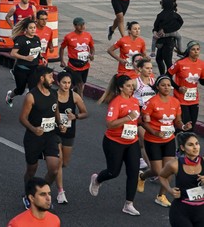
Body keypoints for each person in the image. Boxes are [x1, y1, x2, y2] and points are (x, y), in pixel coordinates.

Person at [91, 74, 142, 216]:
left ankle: (128, 204)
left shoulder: (135, 101)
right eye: (128, 86)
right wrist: (127, 118)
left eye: (132, 86)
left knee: (133, 172)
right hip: (114, 141)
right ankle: (97, 179)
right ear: (120, 88)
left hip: (132, 141)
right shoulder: (116, 102)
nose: (131, 88)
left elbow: (136, 120)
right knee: (113, 172)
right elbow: (110, 124)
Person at [140, 74, 190, 207]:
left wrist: (183, 126)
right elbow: (143, 122)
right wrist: (155, 132)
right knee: (157, 171)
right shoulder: (151, 102)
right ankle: (142, 177)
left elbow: (177, 121)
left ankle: (160, 196)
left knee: (169, 170)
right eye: (163, 85)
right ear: (157, 87)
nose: (167, 87)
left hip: (168, 139)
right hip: (153, 140)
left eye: (169, 85)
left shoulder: (175, 102)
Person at [19, 66, 64, 207]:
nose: (53, 80)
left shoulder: (53, 94)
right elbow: (22, 118)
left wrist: (60, 123)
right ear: (42, 78)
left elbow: (56, 110)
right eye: (50, 77)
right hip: (34, 137)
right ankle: (28, 193)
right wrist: (33, 128)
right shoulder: (31, 96)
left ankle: (42, 194)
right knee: (31, 170)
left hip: (50, 136)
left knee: (54, 169)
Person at [55, 71, 88, 205]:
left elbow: (85, 113)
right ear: (58, 83)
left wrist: (76, 116)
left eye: (69, 83)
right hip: (55, 131)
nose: (67, 85)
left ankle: (54, 175)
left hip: (69, 132)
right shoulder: (53, 96)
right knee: (59, 161)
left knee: (64, 163)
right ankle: (61, 192)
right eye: (64, 82)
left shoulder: (74, 97)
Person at [158, 132, 204, 227]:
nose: (195, 147)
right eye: (190, 145)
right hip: (181, 211)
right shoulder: (174, 164)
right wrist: (170, 190)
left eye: (197, 143)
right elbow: (162, 176)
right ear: (182, 148)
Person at [6, 18, 43, 107]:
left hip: (34, 68)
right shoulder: (21, 40)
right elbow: (13, 53)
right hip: (22, 68)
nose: (33, 29)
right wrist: (25, 58)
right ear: (26, 29)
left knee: (33, 90)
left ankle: (31, 108)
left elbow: (37, 51)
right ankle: (10, 96)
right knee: (20, 90)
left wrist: (42, 57)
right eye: (31, 28)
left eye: (34, 27)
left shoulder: (37, 39)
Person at [168, 41, 204, 130]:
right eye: (193, 49)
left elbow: (202, 81)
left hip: (194, 99)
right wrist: (178, 88)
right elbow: (167, 76)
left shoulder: (201, 64)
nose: (196, 51)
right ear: (188, 51)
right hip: (181, 100)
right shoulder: (180, 63)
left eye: (198, 49)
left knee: (192, 126)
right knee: (185, 125)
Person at [58, 17, 95, 97]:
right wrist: (62, 60)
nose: (82, 27)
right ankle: (80, 104)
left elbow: (92, 47)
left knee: (81, 84)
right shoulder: (69, 37)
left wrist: (92, 55)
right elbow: (62, 48)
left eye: (83, 24)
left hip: (85, 65)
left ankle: (71, 96)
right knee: (80, 85)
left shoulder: (88, 35)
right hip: (73, 65)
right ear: (75, 26)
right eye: (79, 25)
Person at [152, 0, 184, 74]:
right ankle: (163, 75)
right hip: (167, 40)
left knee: (166, 60)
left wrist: (158, 31)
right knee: (160, 59)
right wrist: (157, 31)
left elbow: (156, 26)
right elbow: (180, 23)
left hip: (166, 41)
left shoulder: (161, 15)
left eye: (161, 2)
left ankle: (168, 77)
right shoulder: (175, 15)